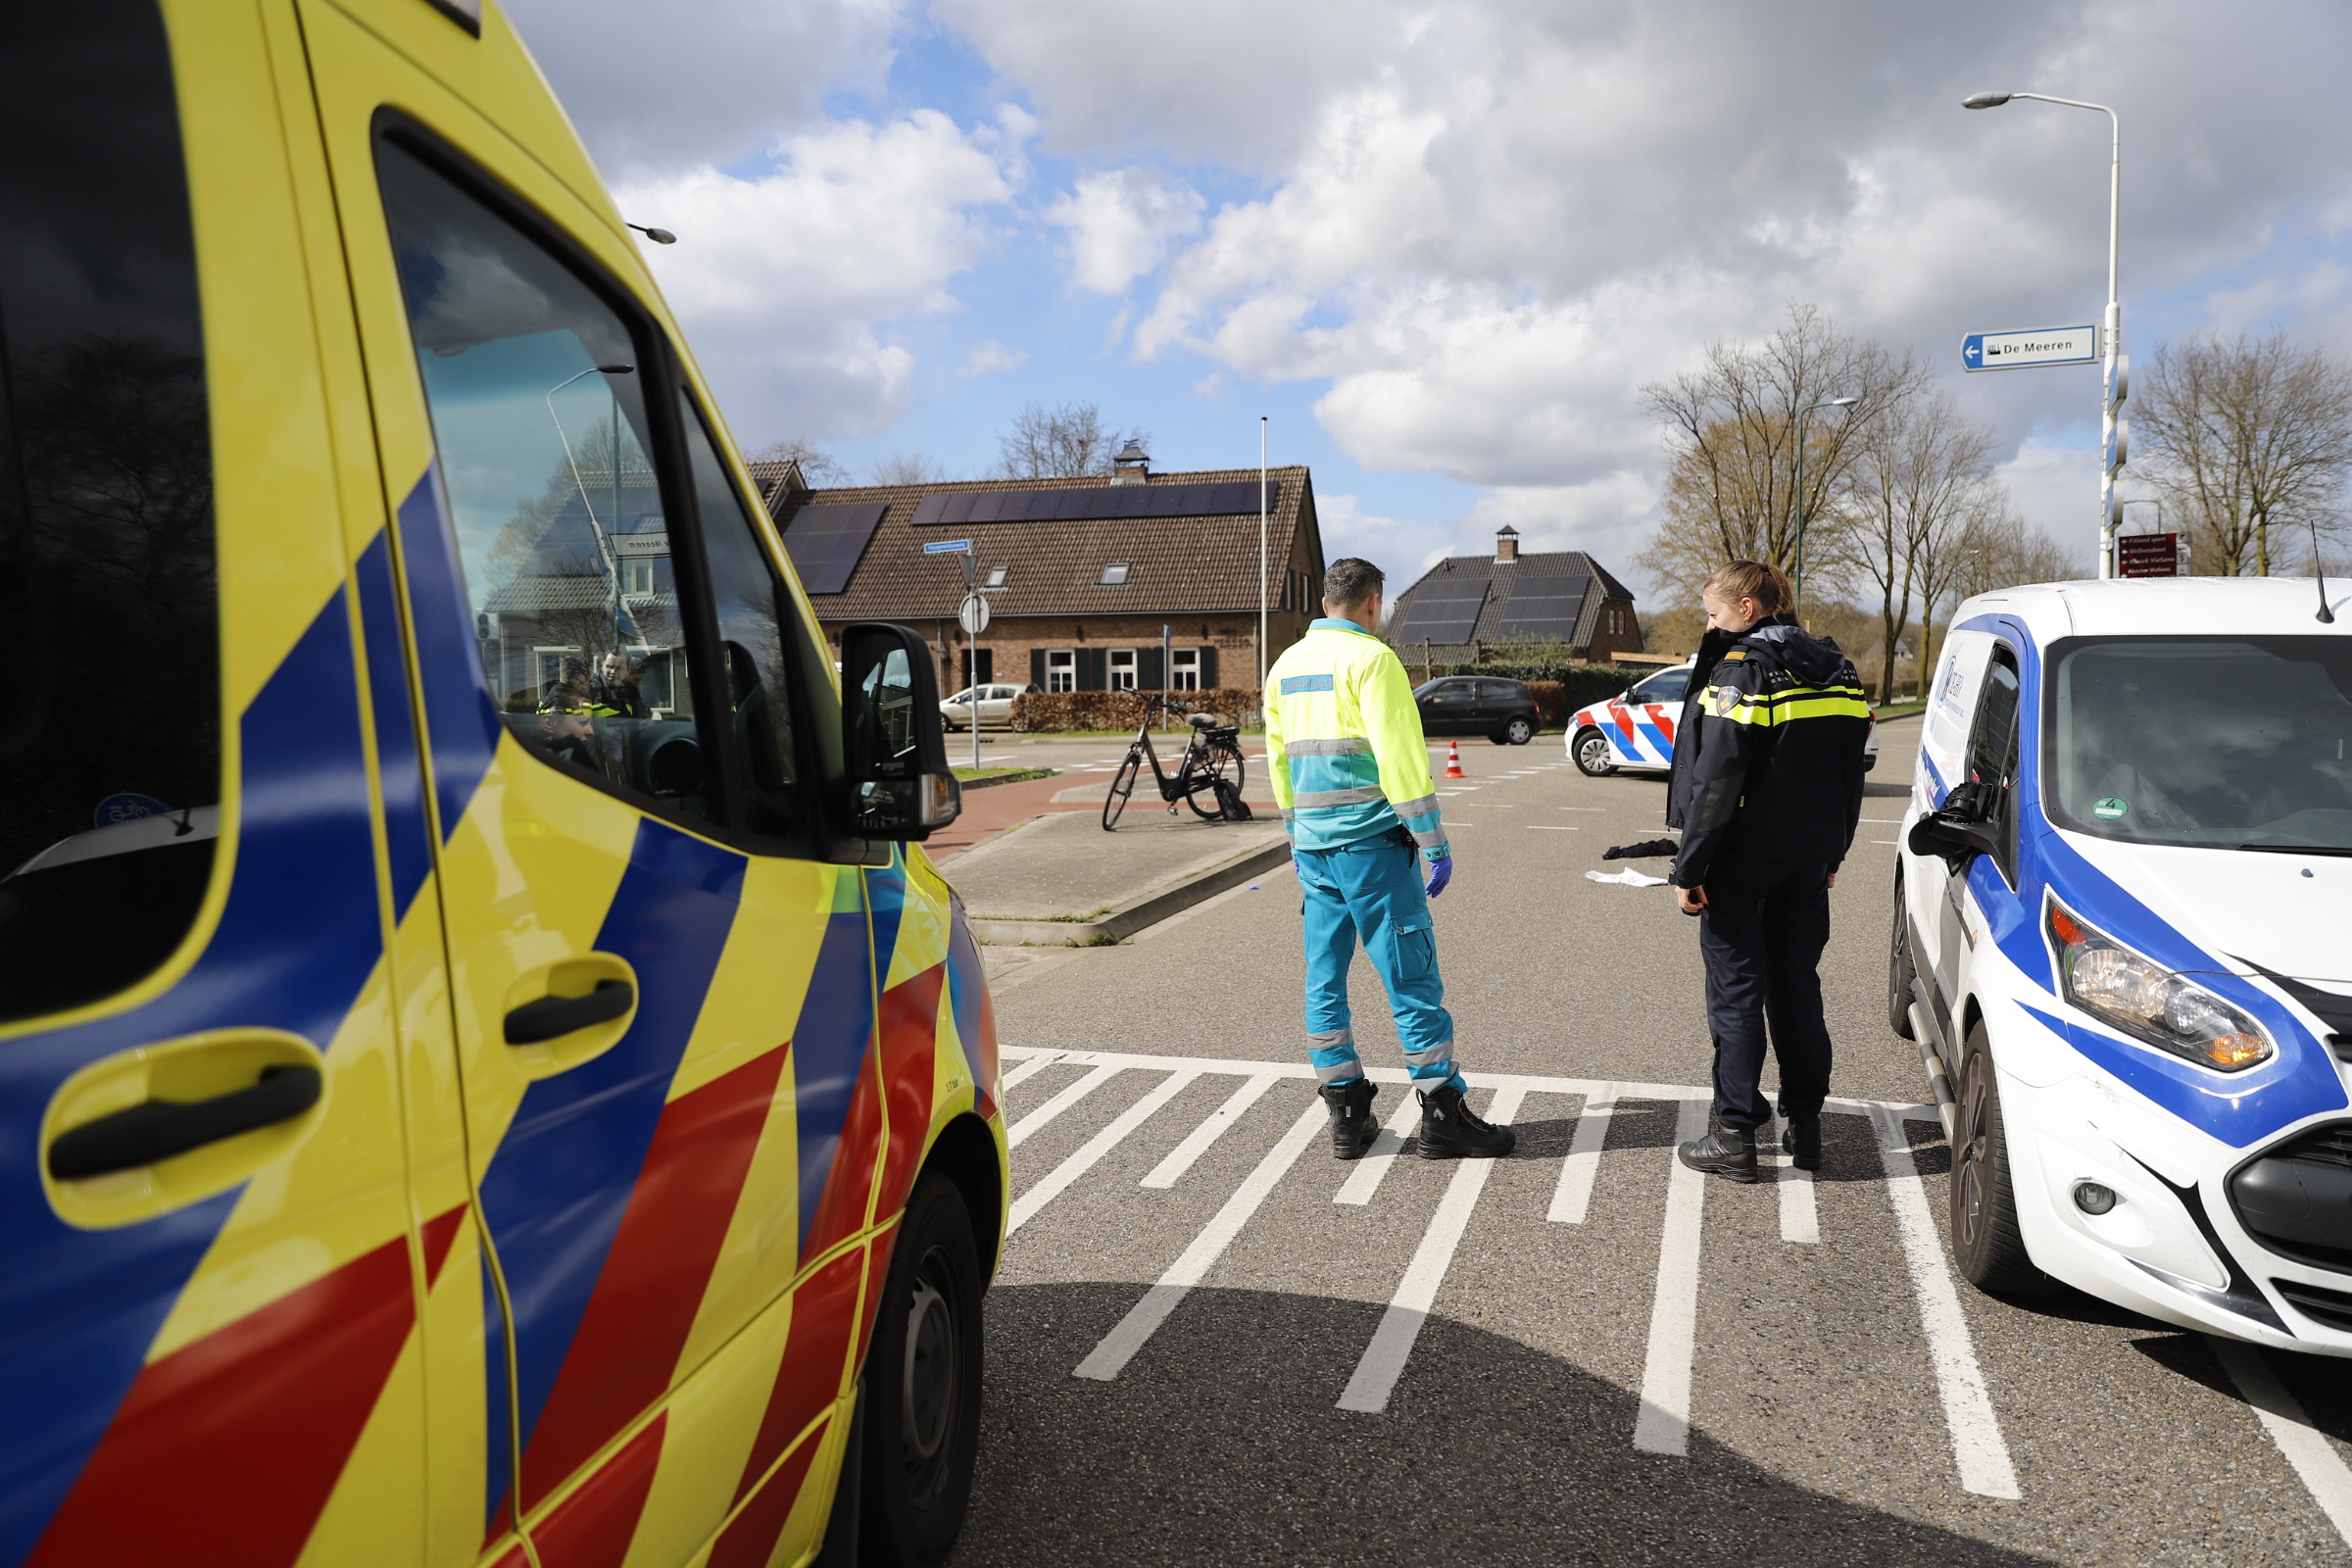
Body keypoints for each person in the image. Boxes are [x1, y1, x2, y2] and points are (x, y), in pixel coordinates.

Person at [1264, 558, 1515, 1161]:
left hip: (1316, 851)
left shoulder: (1285, 666)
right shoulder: (1372, 660)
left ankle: (1346, 1112)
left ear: (1327, 600)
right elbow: (1400, 761)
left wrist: (1296, 838)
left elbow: (1278, 763)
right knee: (1409, 977)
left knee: (1324, 977)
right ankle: (1442, 1115)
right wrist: (1434, 841)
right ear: (1374, 601)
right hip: (1374, 847)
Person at [1665, 560, 1871, 1181]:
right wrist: (1833, 853)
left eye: (1714, 613)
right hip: (1809, 860)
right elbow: (1849, 775)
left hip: (1742, 863)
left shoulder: (1745, 671)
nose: (1710, 623)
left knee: (1737, 996)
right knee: (1798, 990)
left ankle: (1735, 1135)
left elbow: (1718, 781)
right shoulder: (1837, 668)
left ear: (1747, 609)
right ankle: (1805, 1128)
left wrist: (1689, 867)